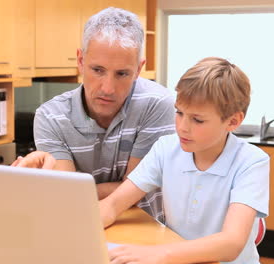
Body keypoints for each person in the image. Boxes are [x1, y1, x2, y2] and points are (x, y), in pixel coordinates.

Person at [99, 57, 270, 264]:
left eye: (197, 120)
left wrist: (159, 254)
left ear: (233, 121)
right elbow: (114, 204)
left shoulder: (252, 162)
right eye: (179, 113)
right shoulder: (165, 148)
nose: (182, 127)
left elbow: (231, 244)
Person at [12, 7, 175, 222]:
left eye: (122, 73)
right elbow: (67, 192)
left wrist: (67, 188)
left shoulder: (159, 105)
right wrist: (58, 188)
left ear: (138, 69)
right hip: (77, 226)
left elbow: (136, 191)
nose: (108, 88)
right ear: (80, 60)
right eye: (97, 70)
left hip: (146, 230)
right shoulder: (50, 117)